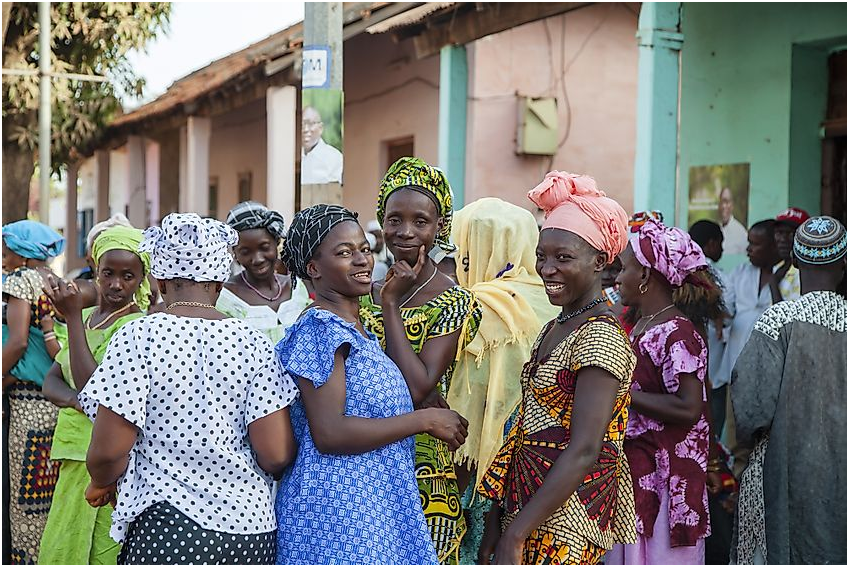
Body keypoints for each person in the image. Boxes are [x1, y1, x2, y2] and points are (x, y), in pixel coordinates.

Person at [79, 213, 297, 564]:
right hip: (250, 531)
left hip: (168, 526)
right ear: (219, 283)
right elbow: (275, 453)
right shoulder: (253, 342)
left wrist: (101, 481)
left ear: (159, 281)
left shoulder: (140, 336)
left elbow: (107, 452)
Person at [274, 204, 468, 564]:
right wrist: (424, 421)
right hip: (336, 516)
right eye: (345, 253)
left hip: (372, 510)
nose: (362, 260)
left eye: (364, 249)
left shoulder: (358, 331)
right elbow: (329, 432)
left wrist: (390, 301)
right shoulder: (321, 329)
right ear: (314, 269)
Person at [477, 171, 636, 565]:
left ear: (601, 261)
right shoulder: (558, 325)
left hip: (565, 520)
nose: (547, 269)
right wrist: (499, 521)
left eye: (563, 258)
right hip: (529, 506)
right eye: (542, 256)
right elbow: (524, 425)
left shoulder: (600, 337)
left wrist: (515, 534)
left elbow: (584, 448)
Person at [359, 157, 482, 564]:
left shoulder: (452, 299)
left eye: (420, 221)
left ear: (439, 226)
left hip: (423, 465)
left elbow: (417, 386)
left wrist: (391, 305)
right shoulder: (361, 293)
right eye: (395, 220)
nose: (406, 232)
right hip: (364, 452)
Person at [445, 197, 560, 564]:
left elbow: (466, 398)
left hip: (479, 470)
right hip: (542, 470)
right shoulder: (553, 300)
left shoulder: (477, 306)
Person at [730, 216, 846, 565]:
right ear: (844, 263)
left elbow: (751, 410)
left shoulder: (777, 320)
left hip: (780, 473)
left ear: (794, 261)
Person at [38, 226, 149, 565]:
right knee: (63, 541)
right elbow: (51, 382)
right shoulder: (88, 319)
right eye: (108, 274)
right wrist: (78, 402)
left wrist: (70, 316)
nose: (116, 284)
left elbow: (91, 387)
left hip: (108, 458)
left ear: (142, 279)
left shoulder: (134, 327)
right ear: (95, 270)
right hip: (73, 452)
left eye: (128, 276)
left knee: (102, 545)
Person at [608, 217, 712, 564]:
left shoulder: (678, 333)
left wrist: (622, 394)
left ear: (646, 277)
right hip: (640, 470)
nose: (618, 277)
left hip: (668, 479)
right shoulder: (641, 325)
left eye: (624, 269)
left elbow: (688, 407)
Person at [2, 220, 64, 565]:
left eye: (7, 248)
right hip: (54, 400)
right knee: (47, 494)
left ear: (23, 252)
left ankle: (27, 558)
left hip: (26, 402)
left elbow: (18, 342)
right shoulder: (56, 280)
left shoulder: (20, 282)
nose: (3, 254)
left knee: (24, 501)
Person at [715, 220, 781, 426]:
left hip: (773, 372)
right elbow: (726, 309)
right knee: (737, 435)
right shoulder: (740, 273)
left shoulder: (789, 276)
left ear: (773, 245)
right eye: (749, 243)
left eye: (755, 244)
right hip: (738, 367)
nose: (748, 249)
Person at [217, 201, 310, 342]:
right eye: (245, 252)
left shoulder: (296, 288)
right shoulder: (226, 299)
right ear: (235, 253)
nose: (258, 259)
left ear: (276, 243)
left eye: (264, 247)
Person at [689, 219, 730, 437]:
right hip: (712, 366)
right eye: (720, 243)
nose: (721, 249)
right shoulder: (715, 274)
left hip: (687, 371)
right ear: (711, 243)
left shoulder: (681, 271)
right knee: (711, 424)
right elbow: (729, 312)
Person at [770, 207, 810, 303]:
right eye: (779, 233)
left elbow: (788, 317)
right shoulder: (778, 268)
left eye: (791, 233)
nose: (783, 239)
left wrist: (773, 284)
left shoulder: (806, 272)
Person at [301, 106, 343, 184]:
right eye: (302, 124)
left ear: (320, 128)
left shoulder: (334, 157)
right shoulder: (292, 157)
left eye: (310, 124)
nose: (305, 129)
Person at [718, 187, 748, 256]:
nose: (723, 206)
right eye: (721, 202)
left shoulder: (740, 232)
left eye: (727, 202)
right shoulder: (716, 228)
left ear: (732, 205)